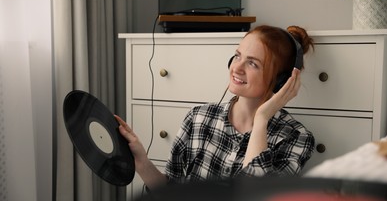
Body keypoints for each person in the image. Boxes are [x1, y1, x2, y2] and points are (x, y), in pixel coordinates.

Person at [115, 25, 315, 190]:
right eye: (237, 56)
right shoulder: (197, 118)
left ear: (281, 81)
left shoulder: (296, 137)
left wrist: (261, 119)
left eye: (253, 63)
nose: (236, 68)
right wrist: (141, 162)